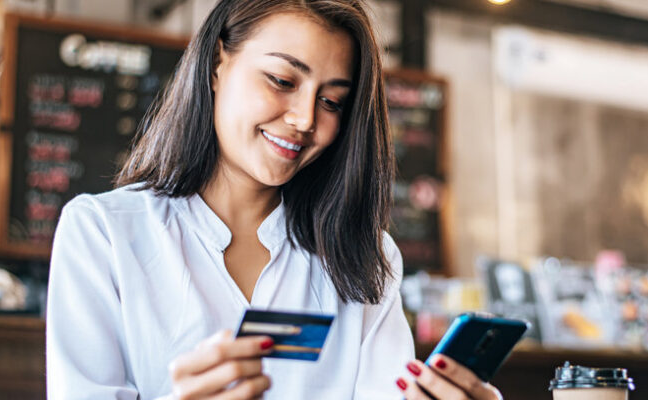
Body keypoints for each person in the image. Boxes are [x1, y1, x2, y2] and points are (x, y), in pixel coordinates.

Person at [45, 1, 502, 399]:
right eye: (282, 80)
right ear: (216, 64)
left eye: (332, 102)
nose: (304, 119)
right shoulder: (103, 233)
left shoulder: (366, 257)